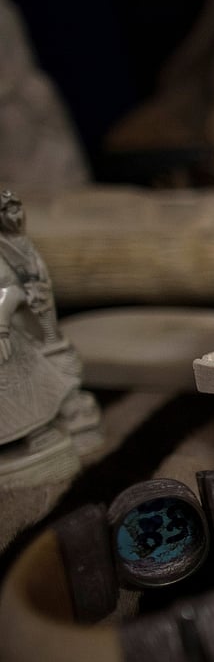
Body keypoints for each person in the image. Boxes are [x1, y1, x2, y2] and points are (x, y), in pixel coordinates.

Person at [0, 190, 98, 487]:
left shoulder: (8, 250)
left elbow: (15, 290)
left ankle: (39, 431)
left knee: (17, 384)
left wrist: (2, 321)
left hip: (7, 336)